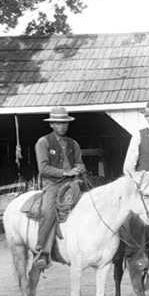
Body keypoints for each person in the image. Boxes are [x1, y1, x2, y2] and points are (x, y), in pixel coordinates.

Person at [31, 106, 87, 272]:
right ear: (52, 124)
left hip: (73, 183)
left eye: (64, 123)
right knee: (49, 211)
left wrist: (79, 172)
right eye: (58, 123)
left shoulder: (73, 144)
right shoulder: (43, 142)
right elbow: (43, 168)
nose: (62, 126)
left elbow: (79, 163)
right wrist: (65, 172)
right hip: (53, 184)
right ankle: (41, 249)